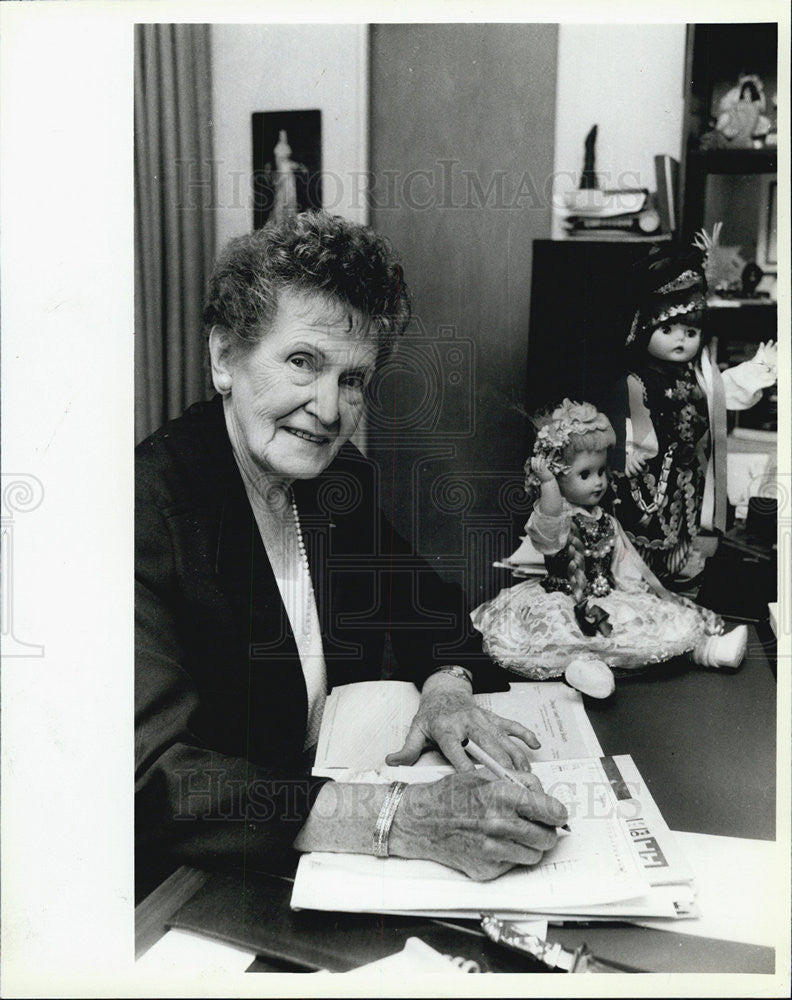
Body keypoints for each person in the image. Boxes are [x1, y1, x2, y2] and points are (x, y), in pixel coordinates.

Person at [135, 211, 567, 898]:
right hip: (191, 884)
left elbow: (428, 604)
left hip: (324, 859)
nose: (329, 410)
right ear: (224, 357)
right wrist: (399, 816)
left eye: (354, 379)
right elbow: (154, 778)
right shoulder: (142, 512)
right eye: (302, 362)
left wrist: (449, 688)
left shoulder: (336, 481)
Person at [471, 400, 748, 700]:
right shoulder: (560, 520)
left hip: (607, 595)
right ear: (558, 476)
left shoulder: (606, 520)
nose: (599, 482)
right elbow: (547, 529)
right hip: (563, 599)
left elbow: (623, 563)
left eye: (601, 471)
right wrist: (548, 485)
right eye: (585, 474)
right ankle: (584, 671)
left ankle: (707, 650)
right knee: (566, 636)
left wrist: (635, 591)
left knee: (649, 623)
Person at [611, 230, 777, 583]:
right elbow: (616, 419)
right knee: (640, 535)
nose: (680, 341)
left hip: (685, 473)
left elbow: (724, 390)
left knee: (681, 534)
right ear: (644, 329)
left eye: (690, 333)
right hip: (645, 473)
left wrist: (759, 370)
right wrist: (624, 449)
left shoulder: (700, 375)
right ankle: (638, 577)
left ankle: (672, 573)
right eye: (668, 329)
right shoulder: (634, 378)